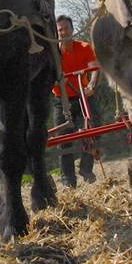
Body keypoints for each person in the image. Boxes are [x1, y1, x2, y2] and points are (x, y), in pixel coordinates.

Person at [51, 15, 101, 187]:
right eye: (60, 30)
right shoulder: (52, 54)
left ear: (72, 29)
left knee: (93, 130)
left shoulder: (85, 47)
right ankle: (68, 180)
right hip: (61, 100)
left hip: (84, 96)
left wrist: (92, 85)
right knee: (63, 140)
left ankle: (86, 169)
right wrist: (57, 79)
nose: (63, 32)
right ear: (56, 33)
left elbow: (94, 68)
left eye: (66, 28)